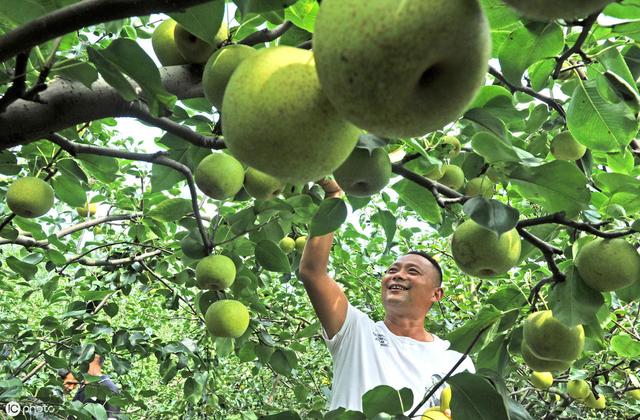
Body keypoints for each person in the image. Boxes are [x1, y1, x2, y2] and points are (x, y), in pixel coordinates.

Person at [298, 179, 474, 415]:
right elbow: (312, 272)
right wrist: (334, 195)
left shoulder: (456, 363)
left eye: (412, 271)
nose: (397, 276)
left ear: (436, 294)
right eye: (392, 270)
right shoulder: (356, 332)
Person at [58, 354, 121, 418]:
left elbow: (112, 417)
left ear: (93, 362)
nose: (80, 362)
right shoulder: (84, 386)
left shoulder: (109, 388)